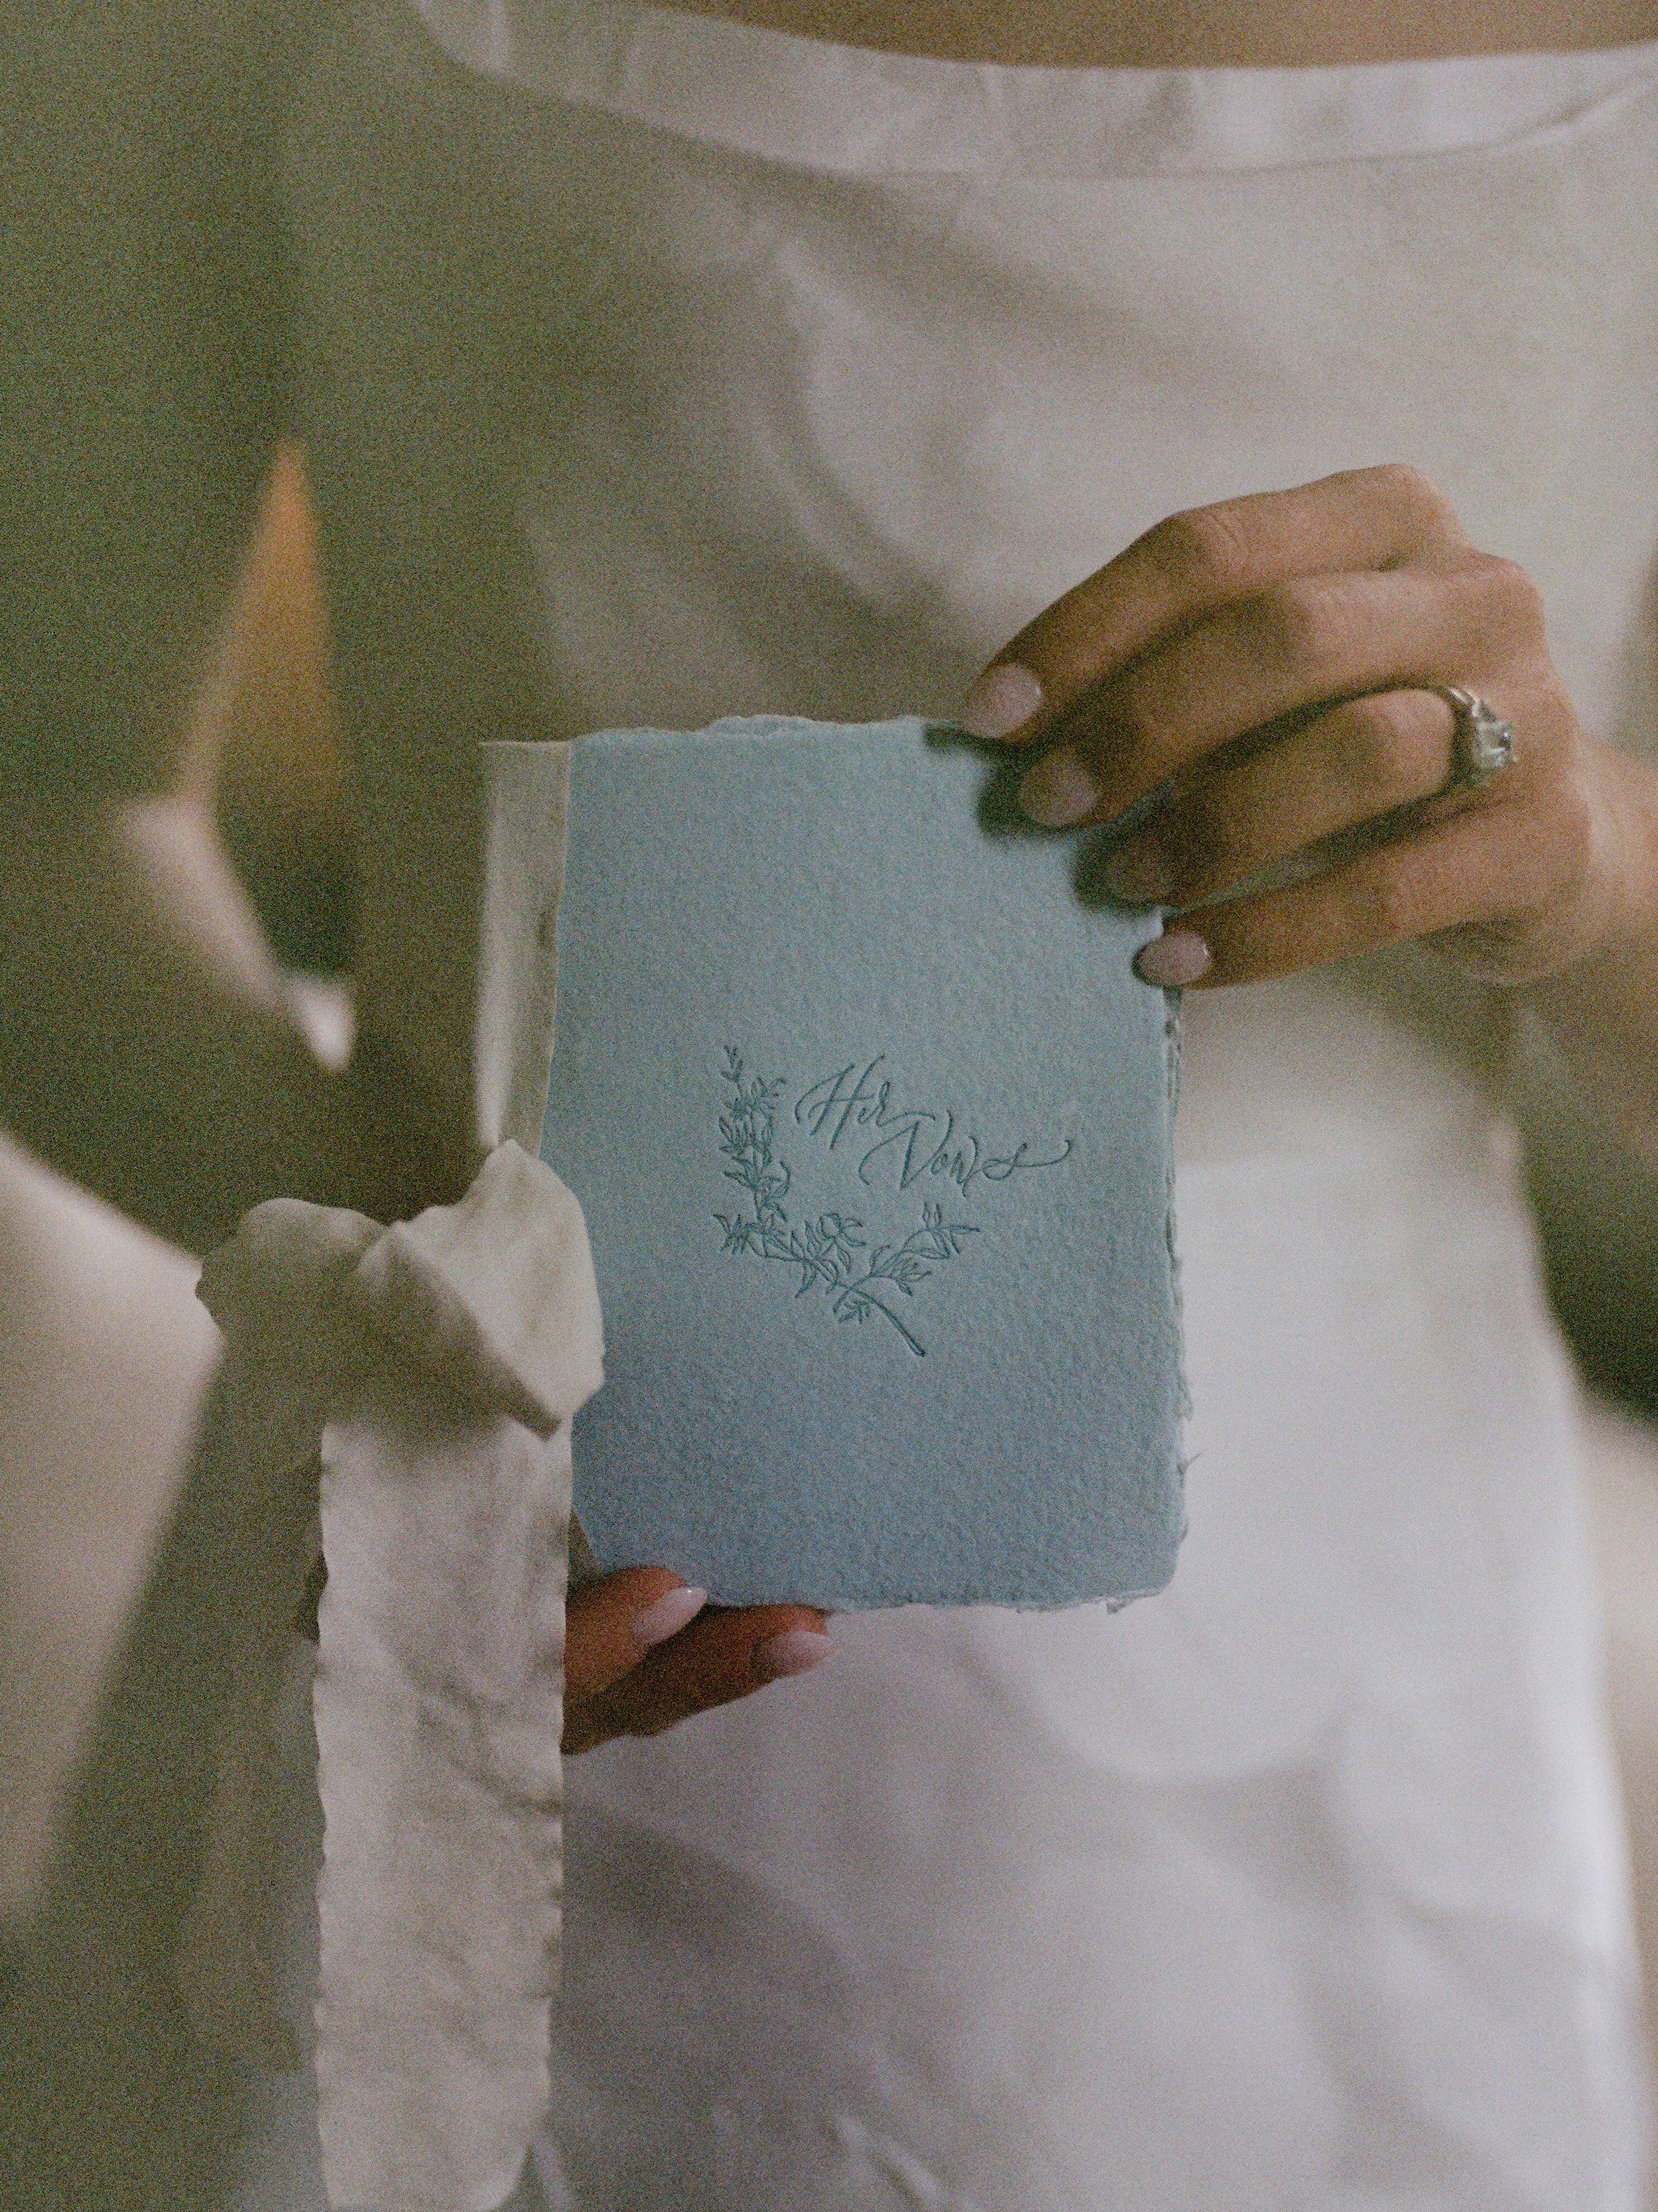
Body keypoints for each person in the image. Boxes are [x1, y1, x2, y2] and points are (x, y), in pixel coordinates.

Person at [5, 0, 1658, 2203]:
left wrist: (1593, 866)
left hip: (1322, 1771)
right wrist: (428, 1338)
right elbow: (43, 799)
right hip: (464, 1587)